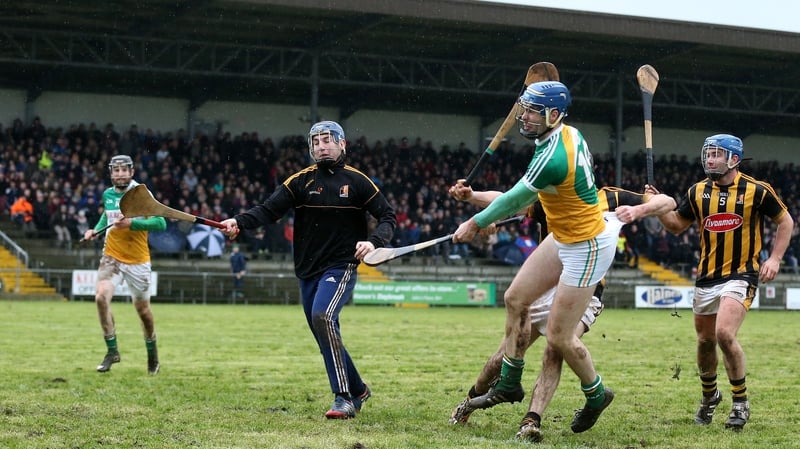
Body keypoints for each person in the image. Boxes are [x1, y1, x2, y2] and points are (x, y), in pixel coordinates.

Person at [452, 81, 620, 435]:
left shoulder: (554, 156)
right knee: (516, 298)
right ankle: (510, 383)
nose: (522, 117)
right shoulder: (564, 134)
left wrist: (475, 222)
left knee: (559, 339)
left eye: (531, 112)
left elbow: (516, 199)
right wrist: (476, 203)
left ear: (554, 115)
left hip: (588, 245)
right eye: (523, 108)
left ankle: (596, 393)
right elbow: (522, 197)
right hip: (563, 236)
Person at [449, 184, 676, 441]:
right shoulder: (548, 196)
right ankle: (469, 403)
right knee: (502, 356)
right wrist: (473, 197)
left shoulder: (609, 196)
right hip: (545, 287)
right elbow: (506, 199)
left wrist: (639, 210)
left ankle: (531, 421)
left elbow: (667, 202)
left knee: (555, 348)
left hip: (586, 291)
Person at [219, 121, 396, 420]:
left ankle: (344, 398)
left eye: (328, 140)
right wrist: (238, 222)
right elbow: (267, 210)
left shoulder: (358, 182)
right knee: (324, 331)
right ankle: (359, 388)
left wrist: (374, 242)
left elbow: (387, 216)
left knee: (323, 316)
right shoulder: (299, 182)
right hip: (307, 269)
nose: (322, 146)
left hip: (341, 265)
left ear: (343, 144)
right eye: (316, 142)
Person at [650, 134, 793, 431]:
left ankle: (740, 402)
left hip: (741, 274)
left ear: (734, 159)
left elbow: (785, 221)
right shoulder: (698, 191)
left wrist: (775, 258)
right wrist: (658, 207)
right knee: (705, 341)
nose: (709, 159)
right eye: (707, 153)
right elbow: (677, 226)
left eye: (716, 154)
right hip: (706, 277)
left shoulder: (757, 190)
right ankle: (709, 396)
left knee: (724, 334)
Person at [82, 155, 167, 375]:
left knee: (143, 312)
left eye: (123, 170)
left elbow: (160, 223)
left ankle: (152, 354)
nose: (120, 174)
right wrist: (95, 229)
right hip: (112, 256)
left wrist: (132, 223)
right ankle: (112, 351)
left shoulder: (141, 195)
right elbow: (107, 216)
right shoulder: (108, 194)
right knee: (100, 297)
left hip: (138, 260)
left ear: (131, 172)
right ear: (111, 173)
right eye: (116, 170)